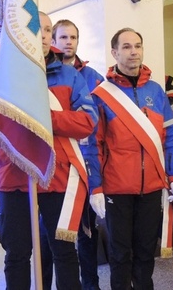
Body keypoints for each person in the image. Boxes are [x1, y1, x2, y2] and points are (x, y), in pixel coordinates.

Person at [0, 12, 98, 290]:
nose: (42, 35)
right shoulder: (1, 72)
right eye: (35, 27)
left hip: (58, 177)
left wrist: (43, 118)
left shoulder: (68, 75)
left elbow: (87, 121)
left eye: (48, 29)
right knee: (16, 255)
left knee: (64, 253)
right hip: (15, 177)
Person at [91, 28, 173, 289]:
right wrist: (96, 187)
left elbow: (168, 138)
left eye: (138, 46)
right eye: (127, 47)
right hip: (117, 187)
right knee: (120, 254)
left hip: (152, 186)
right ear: (115, 52)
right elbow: (94, 145)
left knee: (146, 252)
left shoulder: (156, 92)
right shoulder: (102, 95)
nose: (134, 52)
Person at [49, 18, 105, 290]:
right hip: (60, 163)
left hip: (89, 161)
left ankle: (90, 284)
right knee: (59, 232)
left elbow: (99, 120)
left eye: (73, 37)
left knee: (87, 229)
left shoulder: (94, 77)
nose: (68, 42)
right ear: (52, 41)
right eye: (63, 37)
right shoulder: (44, 73)